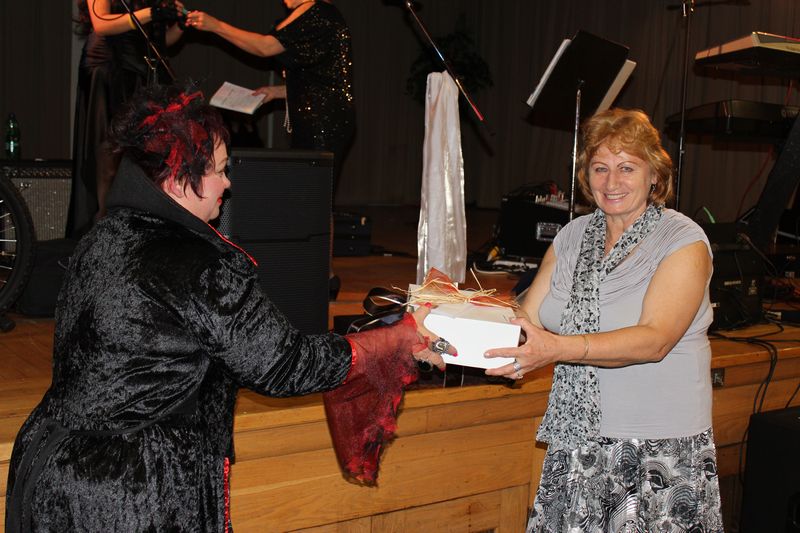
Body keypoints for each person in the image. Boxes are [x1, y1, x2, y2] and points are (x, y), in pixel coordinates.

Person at [5, 83, 446, 532]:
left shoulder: (103, 237)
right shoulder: (200, 266)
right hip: (127, 490)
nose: (228, 183)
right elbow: (285, 365)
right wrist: (395, 338)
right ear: (180, 178)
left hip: (46, 464)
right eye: (219, 170)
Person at [485, 108, 723, 531]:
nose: (612, 182)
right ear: (586, 176)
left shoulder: (682, 240)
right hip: (577, 444)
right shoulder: (572, 235)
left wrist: (557, 348)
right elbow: (526, 316)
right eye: (600, 168)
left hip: (657, 451)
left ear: (654, 175)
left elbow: (655, 340)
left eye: (627, 167)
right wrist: (450, 328)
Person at [185, 0, 356, 185]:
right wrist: (275, 92)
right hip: (325, 118)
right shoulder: (322, 14)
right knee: (310, 188)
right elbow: (322, 78)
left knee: (311, 188)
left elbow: (266, 47)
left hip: (323, 120)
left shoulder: (317, 10)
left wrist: (216, 26)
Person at [67, 0, 186, 238]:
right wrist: (151, 12)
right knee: (109, 156)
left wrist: (181, 24)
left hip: (141, 70)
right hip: (110, 66)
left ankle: (132, 230)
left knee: (141, 158)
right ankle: (103, 232)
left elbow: (158, 41)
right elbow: (101, 23)